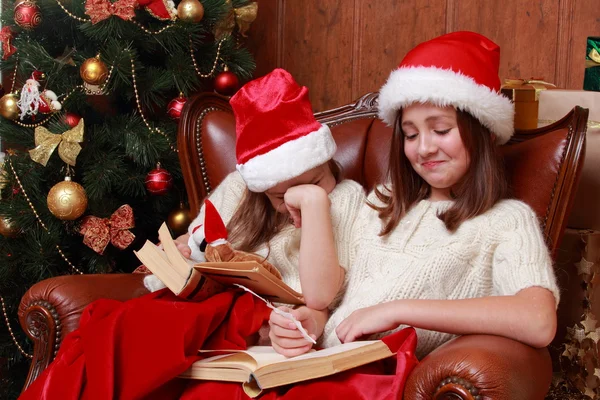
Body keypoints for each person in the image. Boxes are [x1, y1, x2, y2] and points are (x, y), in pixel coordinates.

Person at [270, 31, 559, 359]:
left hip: (379, 381)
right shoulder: (382, 203)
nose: (424, 148)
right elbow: (335, 298)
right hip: (320, 365)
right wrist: (312, 322)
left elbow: (538, 320)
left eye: (441, 130)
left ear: (483, 131)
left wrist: (398, 310)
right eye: (410, 134)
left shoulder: (506, 220)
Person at [144, 68, 366, 348]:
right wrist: (180, 250)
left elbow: (321, 297)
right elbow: (197, 242)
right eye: (280, 195)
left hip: (272, 321)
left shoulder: (345, 198)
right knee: (121, 326)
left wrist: (314, 202)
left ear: (326, 162)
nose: (292, 201)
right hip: (214, 308)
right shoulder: (239, 188)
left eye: (312, 183)